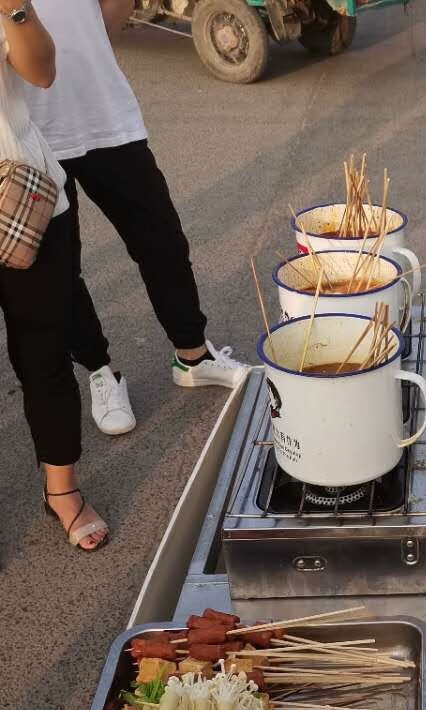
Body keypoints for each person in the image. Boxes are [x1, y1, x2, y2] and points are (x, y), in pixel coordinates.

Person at [24, 0, 245, 438]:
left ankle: (193, 355)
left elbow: (106, 20)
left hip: (104, 111)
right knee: (63, 268)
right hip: (31, 129)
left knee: (161, 238)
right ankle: (100, 370)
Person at [0, 2, 107, 550]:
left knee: (43, 350)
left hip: (21, 200)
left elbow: (41, 72)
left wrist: (15, 8)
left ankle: (61, 490)